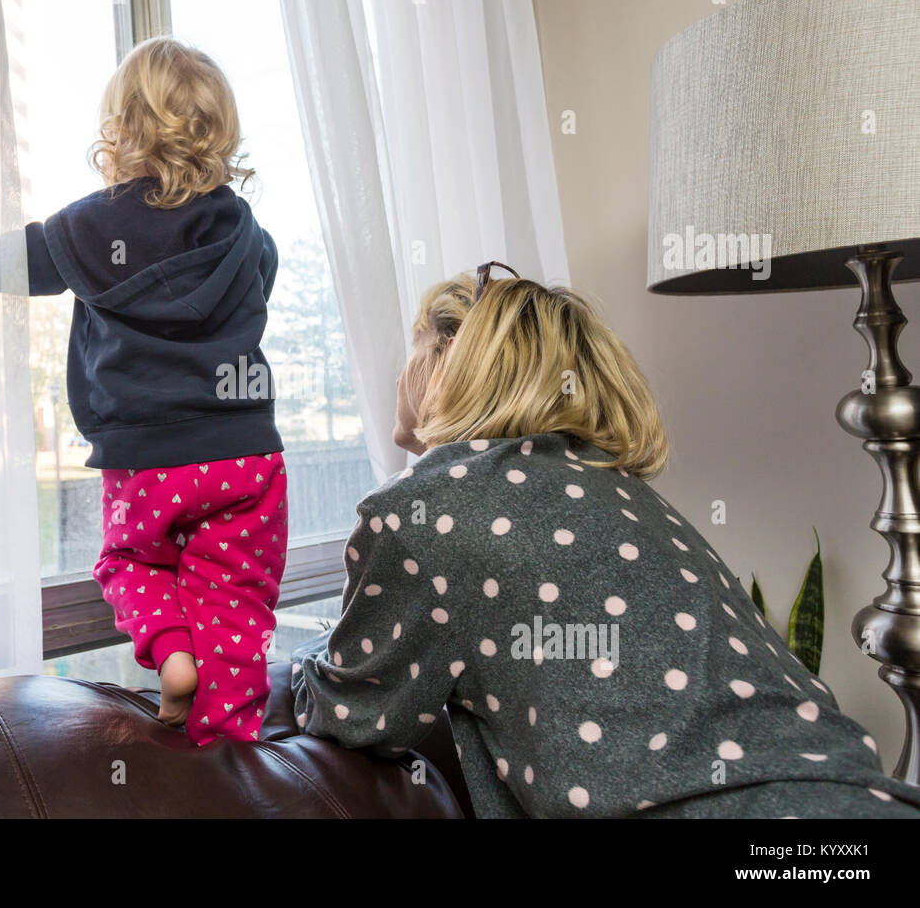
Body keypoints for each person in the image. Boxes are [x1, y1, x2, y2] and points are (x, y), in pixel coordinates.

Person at [290, 266, 920, 817]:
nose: (400, 373)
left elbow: (354, 711)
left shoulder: (420, 512)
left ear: (451, 358)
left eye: (416, 344)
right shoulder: (607, 484)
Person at [27, 38, 287, 746]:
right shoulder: (244, 229)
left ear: (122, 129)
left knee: (131, 558)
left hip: (148, 461)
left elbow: (18, 263)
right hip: (245, 454)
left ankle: (173, 652)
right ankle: (230, 744)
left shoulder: (96, 224)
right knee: (236, 598)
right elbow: (259, 285)